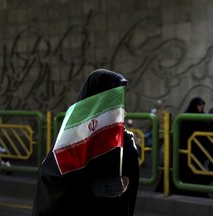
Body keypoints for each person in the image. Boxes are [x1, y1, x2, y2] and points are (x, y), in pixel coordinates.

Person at [32, 69, 140, 216]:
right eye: (110, 98)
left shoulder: (125, 143)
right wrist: (94, 189)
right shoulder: (72, 137)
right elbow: (51, 183)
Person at [155, 97, 212, 197]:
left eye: (202, 105)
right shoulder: (185, 118)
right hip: (184, 153)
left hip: (195, 153)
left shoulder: (200, 118)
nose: (201, 107)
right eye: (199, 105)